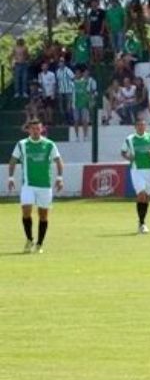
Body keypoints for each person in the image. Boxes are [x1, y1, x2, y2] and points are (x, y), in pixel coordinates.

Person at [8, 119, 64, 254]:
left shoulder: (49, 144)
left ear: (42, 129)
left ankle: (39, 244)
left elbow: (58, 161)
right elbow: (13, 160)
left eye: (38, 129)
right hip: (28, 185)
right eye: (33, 129)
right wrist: (10, 177)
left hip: (45, 185)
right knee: (26, 210)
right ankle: (29, 239)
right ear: (28, 130)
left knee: (43, 215)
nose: (35, 131)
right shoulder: (22, 144)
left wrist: (59, 178)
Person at [121, 119, 150, 234]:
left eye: (143, 125)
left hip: (149, 170)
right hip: (136, 170)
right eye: (139, 125)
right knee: (141, 194)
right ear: (135, 127)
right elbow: (123, 152)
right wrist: (128, 157)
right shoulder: (129, 139)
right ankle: (142, 223)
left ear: (145, 127)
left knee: (147, 197)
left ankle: (142, 221)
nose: (141, 127)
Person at [72, 67, 92, 142]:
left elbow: (88, 92)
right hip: (75, 104)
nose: (77, 74)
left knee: (84, 120)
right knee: (76, 120)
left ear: (80, 74)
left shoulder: (85, 82)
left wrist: (89, 101)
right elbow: (72, 94)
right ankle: (76, 136)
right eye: (76, 73)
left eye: (78, 73)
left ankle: (85, 135)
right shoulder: (73, 83)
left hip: (84, 104)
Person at [86, 0, 106, 65]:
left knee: (100, 47)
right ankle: (96, 61)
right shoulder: (90, 13)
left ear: (97, 3)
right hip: (92, 33)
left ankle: (102, 60)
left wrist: (102, 30)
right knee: (94, 47)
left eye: (95, 3)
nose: (94, 4)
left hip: (99, 33)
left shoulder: (101, 11)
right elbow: (89, 23)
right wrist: (88, 32)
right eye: (92, 3)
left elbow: (103, 22)